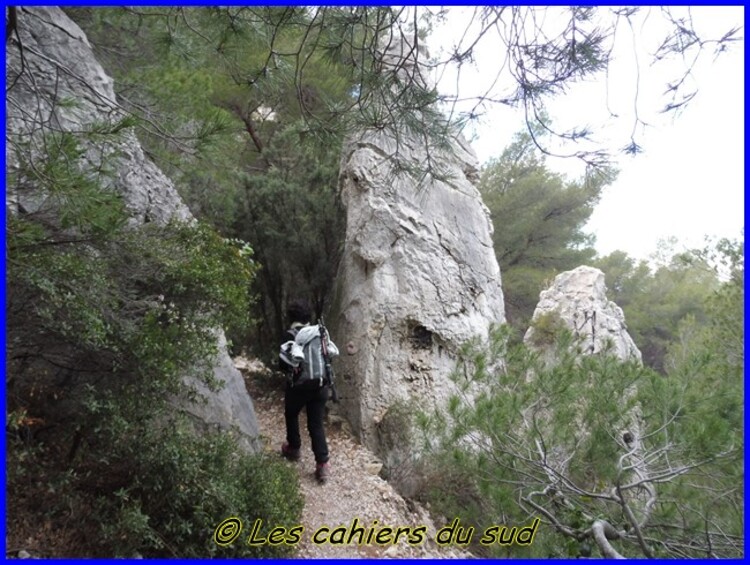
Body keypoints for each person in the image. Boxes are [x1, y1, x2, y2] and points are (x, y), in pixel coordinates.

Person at [279, 299, 331, 483]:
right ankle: (322, 465)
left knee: (291, 413)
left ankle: (293, 448)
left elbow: (283, 363)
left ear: (291, 317)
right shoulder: (319, 332)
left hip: (299, 387)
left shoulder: (291, 335)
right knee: (315, 424)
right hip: (320, 385)